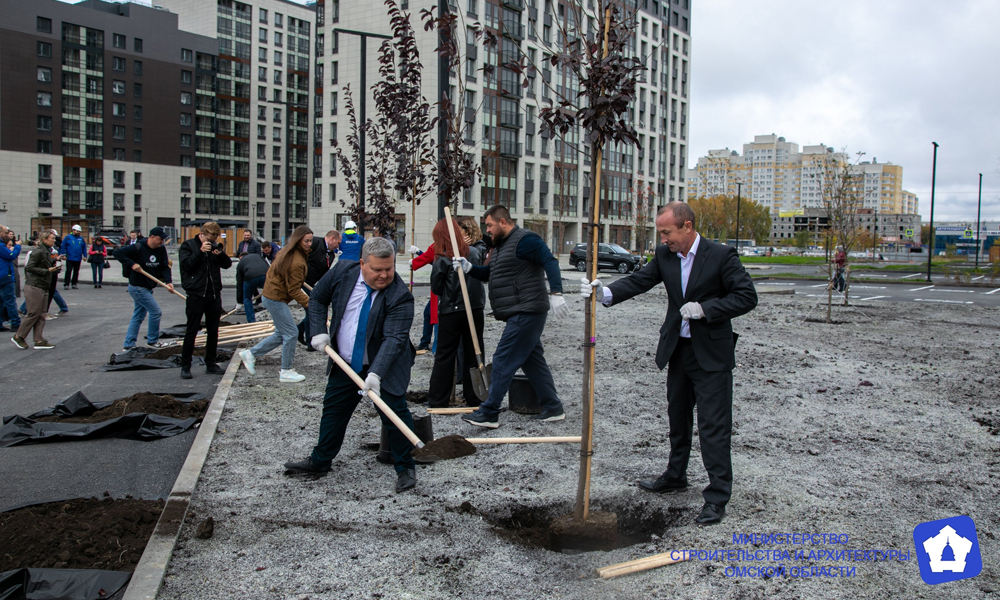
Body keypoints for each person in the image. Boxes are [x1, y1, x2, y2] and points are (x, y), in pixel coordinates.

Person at [581, 201, 758, 525]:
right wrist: (604, 292)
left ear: (687, 227)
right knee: (678, 419)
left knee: (713, 428)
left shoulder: (720, 256)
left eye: (666, 232)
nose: (663, 239)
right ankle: (676, 476)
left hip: (712, 357)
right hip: (678, 351)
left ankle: (717, 497)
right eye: (660, 233)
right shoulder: (665, 255)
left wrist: (706, 309)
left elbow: (747, 296)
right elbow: (640, 280)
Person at [288, 237, 418, 493]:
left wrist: (376, 373)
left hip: (386, 365)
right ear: (361, 264)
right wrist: (318, 332)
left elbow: (394, 339)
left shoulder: (400, 296)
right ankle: (321, 460)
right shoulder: (342, 271)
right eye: (377, 269)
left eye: (389, 269)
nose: (384, 275)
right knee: (334, 411)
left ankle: (406, 467)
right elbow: (316, 299)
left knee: (394, 414)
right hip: (345, 362)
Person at [452, 205, 571, 428]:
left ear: (503, 222)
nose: (487, 230)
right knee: (532, 361)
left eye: (489, 225)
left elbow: (550, 261)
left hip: (527, 311)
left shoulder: (526, 240)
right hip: (519, 311)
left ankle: (489, 411)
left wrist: (556, 293)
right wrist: (469, 268)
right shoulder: (500, 246)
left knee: (503, 359)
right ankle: (553, 407)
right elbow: (491, 274)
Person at [239, 225, 312, 383]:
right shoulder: (297, 260)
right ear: (298, 240)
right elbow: (294, 290)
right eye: (306, 241)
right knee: (291, 333)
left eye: (311, 241)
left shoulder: (287, 252)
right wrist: (309, 305)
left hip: (272, 296)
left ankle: (250, 353)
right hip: (275, 298)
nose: (309, 244)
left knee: (281, 333)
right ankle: (286, 371)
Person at [428, 218, 484, 409]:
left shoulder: (442, 257)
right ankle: (475, 397)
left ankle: (438, 400)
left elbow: (436, 287)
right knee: (473, 353)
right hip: (475, 310)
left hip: (451, 311)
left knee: (445, 355)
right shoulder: (474, 253)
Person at [178, 222, 233, 379]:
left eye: (214, 239)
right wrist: (200, 252)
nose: (211, 242)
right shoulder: (188, 246)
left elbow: (227, 265)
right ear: (201, 235)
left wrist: (220, 253)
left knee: (213, 331)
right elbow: (187, 266)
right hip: (196, 294)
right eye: (209, 239)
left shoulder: (214, 247)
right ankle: (185, 365)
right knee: (192, 330)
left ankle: (211, 363)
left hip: (213, 294)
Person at [113, 227, 174, 351]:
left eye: (163, 239)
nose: (161, 241)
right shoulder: (138, 247)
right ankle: (152, 341)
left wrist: (169, 282)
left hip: (148, 287)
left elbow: (164, 266)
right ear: (151, 237)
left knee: (138, 316)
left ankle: (129, 344)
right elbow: (117, 253)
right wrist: (132, 264)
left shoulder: (161, 249)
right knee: (155, 312)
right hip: (137, 287)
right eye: (160, 239)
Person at [12, 230, 60, 349]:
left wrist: (53, 268)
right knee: (34, 312)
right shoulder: (38, 251)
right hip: (34, 285)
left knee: (41, 313)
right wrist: (47, 271)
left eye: (54, 238)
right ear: (44, 240)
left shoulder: (47, 251)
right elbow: (29, 267)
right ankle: (19, 336)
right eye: (52, 238)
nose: (54, 240)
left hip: (43, 285)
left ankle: (39, 340)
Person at [299, 230, 342, 349]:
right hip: (301, 282)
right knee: (310, 308)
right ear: (332, 239)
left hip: (311, 284)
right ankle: (310, 341)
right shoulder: (315, 243)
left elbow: (324, 275)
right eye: (337, 243)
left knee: (313, 308)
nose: (338, 246)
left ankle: (300, 329)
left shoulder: (331, 255)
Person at [409, 243, 438, 355]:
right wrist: (419, 252)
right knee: (429, 313)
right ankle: (425, 343)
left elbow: (430, 257)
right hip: (439, 286)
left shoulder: (439, 243)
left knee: (436, 317)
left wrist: (415, 261)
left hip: (441, 287)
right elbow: (432, 260)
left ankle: (436, 347)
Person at [236, 252, 269, 323]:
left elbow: (239, 284)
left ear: (240, 258)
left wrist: (239, 302)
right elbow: (267, 265)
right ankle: (274, 317)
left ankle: (251, 322)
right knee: (270, 294)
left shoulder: (240, 264)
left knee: (247, 298)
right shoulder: (258, 255)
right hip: (265, 275)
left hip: (250, 277)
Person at [0, 226, 22, 333]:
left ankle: (0, 323)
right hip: (5, 276)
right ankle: (15, 323)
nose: (7, 234)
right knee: (10, 301)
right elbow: (11, 255)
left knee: (1, 302)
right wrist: (17, 247)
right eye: (5, 232)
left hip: (2, 275)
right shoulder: (0, 246)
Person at [62, 224, 87, 289]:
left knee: (76, 271)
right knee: (68, 271)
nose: (78, 232)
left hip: (78, 258)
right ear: (73, 230)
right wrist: (63, 255)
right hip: (70, 257)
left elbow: (84, 247)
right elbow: (63, 247)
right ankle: (66, 284)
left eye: (79, 231)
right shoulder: (67, 238)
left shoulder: (81, 239)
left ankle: (74, 283)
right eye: (77, 231)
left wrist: (85, 255)